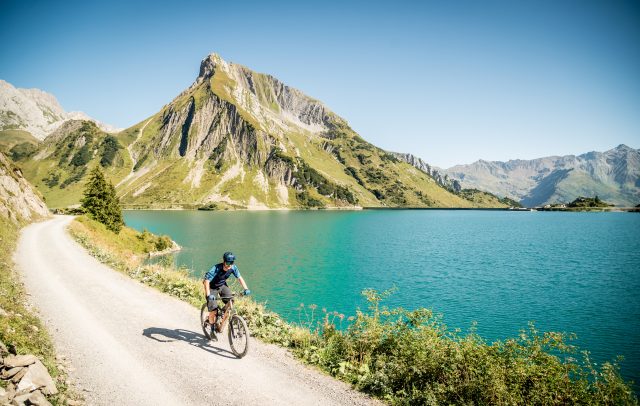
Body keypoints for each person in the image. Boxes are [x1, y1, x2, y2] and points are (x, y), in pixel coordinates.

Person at [203, 251, 250, 335]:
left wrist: (246, 288)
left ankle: (222, 316)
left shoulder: (233, 267)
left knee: (231, 301)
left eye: (232, 262)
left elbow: (239, 278)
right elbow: (206, 281)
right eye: (228, 262)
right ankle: (212, 330)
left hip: (222, 285)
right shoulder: (216, 268)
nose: (230, 265)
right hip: (211, 287)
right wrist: (208, 295)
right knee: (213, 309)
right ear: (223, 261)